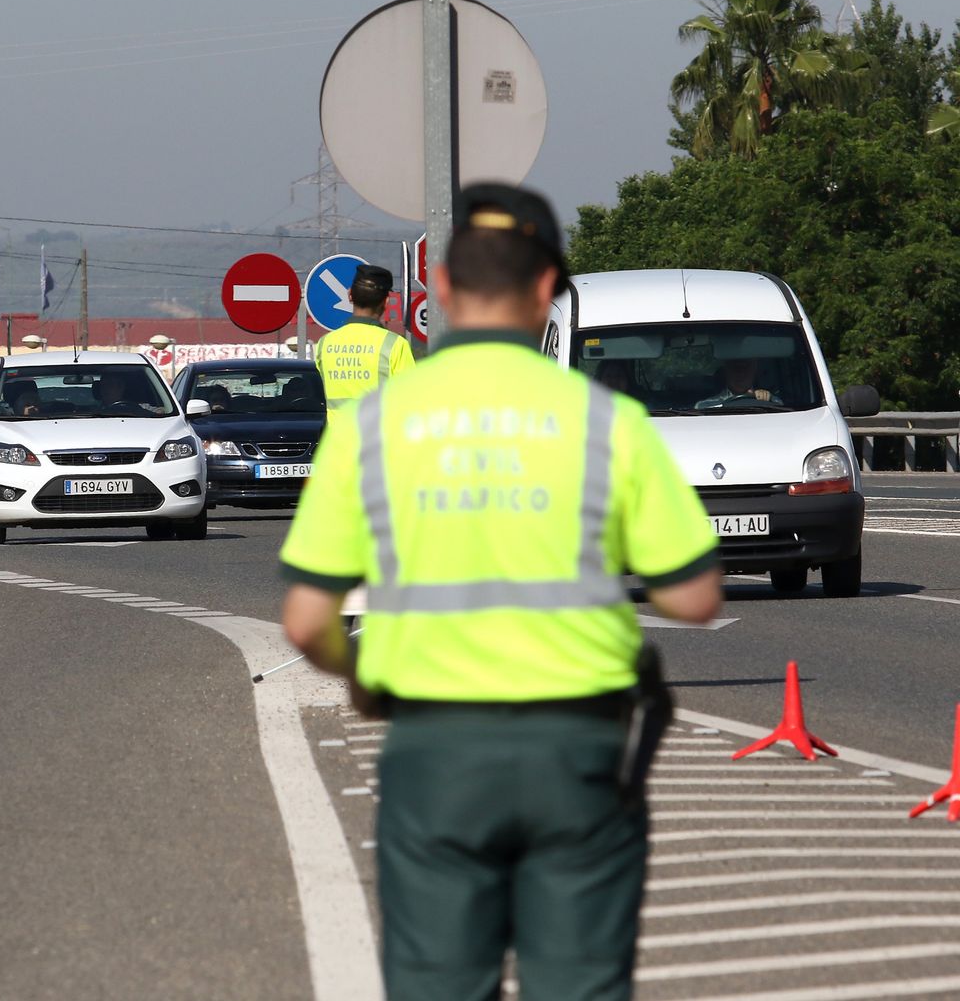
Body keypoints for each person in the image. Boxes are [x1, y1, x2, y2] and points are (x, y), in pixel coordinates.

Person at [278, 182, 724, 1000]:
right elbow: (695, 597)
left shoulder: (379, 425)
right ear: (550, 290)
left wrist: (365, 674)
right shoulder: (606, 420)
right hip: (581, 750)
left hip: (436, 750)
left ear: (442, 290)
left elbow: (306, 618)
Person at [313, 263, 415, 415]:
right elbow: (411, 400)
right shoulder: (395, 345)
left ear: (350, 295)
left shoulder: (324, 344)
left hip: (336, 438)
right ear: (386, 301)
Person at [697, 357, 779, 407]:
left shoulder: (772, 401)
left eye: (746, 367)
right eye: (735, 367)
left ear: (754, 369)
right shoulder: (705, 406)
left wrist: (765, 403)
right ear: (726, 370)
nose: (741, 373)